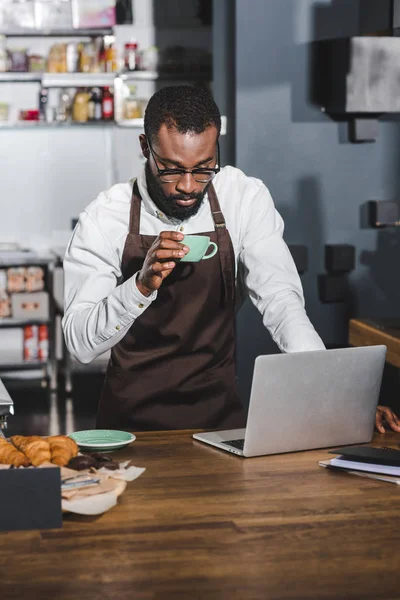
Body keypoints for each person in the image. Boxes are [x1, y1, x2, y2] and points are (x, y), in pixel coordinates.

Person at [62, 85, 395, 433]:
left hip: (218, 421)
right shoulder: (105, 217)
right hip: (130, 427)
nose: (189, 186)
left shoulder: (243, 198)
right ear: (146, 148)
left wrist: (340, 396)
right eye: (172, 170)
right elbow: (79, 344)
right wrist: (140, 287)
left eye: (204, 168)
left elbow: (282, 302)